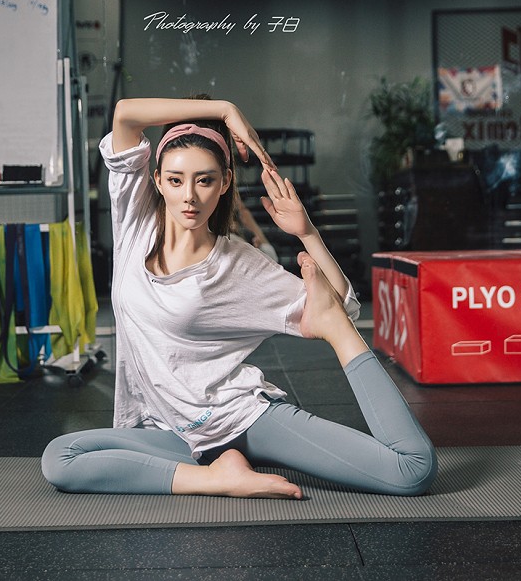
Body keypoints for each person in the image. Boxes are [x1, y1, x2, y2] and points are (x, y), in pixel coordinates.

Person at [41, 97, 436, 499]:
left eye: (205, 179)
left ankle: (221, 469)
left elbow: (338, 307)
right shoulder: (135, 220)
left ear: (225, 181)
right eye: (176, 180)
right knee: (61, 456)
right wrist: (226, 110)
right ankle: (218, 478)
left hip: (243, 420)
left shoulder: (237, 264)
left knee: (410, 471)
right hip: (171, 431)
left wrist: (307, 233)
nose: (189, 196)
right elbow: (125, 113)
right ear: (157, 180)